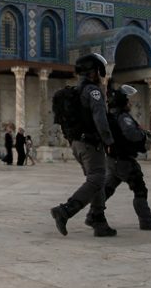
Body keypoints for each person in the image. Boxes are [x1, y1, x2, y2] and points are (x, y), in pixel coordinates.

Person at [49, 53, 117, 237]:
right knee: (97, 178)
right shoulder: (93, 91)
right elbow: (100, 119)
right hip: (90, 143)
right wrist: (108, 141)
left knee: (97, 181)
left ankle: (98, 219)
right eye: (98, 71)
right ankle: (65, 211)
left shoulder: (76, 91)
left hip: (77, 143)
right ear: (93, 72)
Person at [88, 85, 151, 231]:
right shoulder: (123, 117)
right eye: (128, 101)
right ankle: (146, 221)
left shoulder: (110, 116)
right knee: (140, 188)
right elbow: (131, 134)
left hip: (113, 159)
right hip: (123, 160)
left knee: (107, 189)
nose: (130, 104)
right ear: (122, 102)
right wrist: (144, 135)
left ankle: (92, 215)